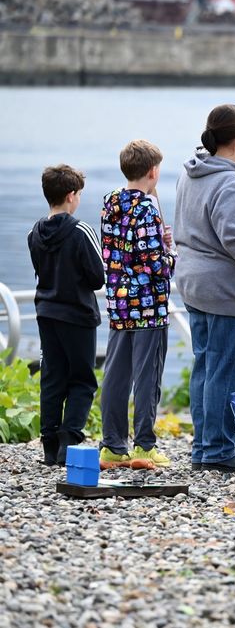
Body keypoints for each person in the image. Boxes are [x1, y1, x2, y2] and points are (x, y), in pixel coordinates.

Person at [175, 104, 235, 472]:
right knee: (229, 373)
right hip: (230, 291)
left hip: (195, 284)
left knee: (207, 369)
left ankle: (204, 446)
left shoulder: (192, 173)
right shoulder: (229, 182)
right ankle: (217, 450)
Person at [98, 140, 176, 470]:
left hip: (119, 302)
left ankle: (112, 446)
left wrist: (159, 241)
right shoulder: (146, 208)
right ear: (153, 171)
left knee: (116, 375)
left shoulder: (110, 203)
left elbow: (122, 251)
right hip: (148, 305)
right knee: (147, 376)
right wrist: (170, 255)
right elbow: (153, 264)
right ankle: (144, 445)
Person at [28, 164, 104, 467]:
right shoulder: (80, 230)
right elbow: (97, 277)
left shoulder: (34, 231)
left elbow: (39, 269)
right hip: (78, 315)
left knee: (52, 376)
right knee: (83, 380)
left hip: (46, 312)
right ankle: (68, 441)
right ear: (72, 195)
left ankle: (49, 443)